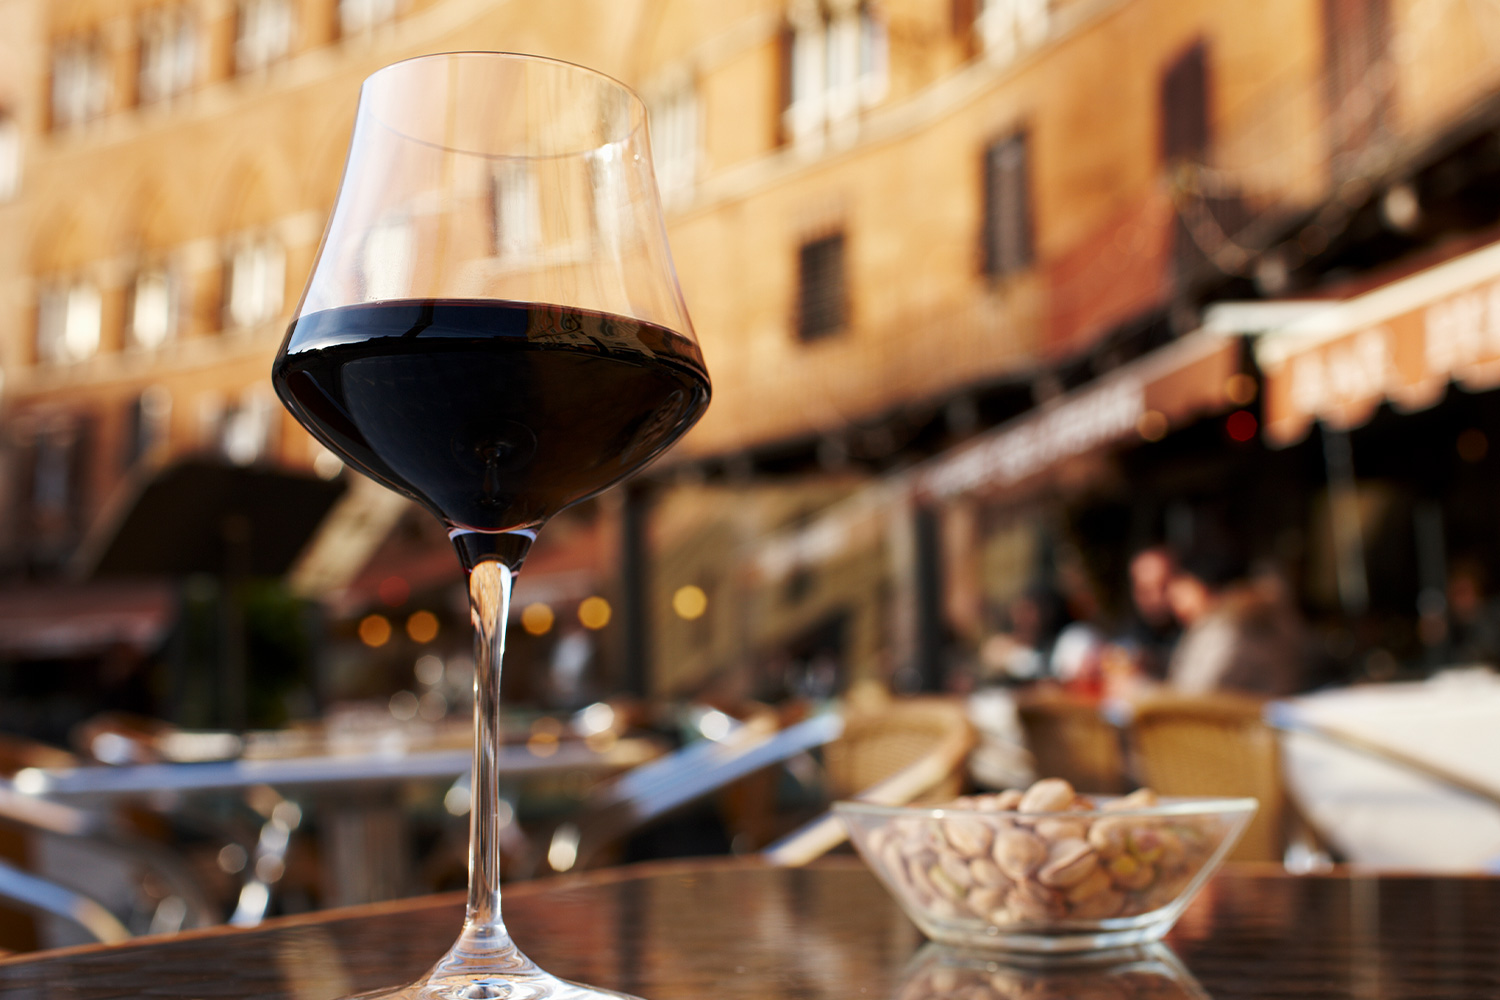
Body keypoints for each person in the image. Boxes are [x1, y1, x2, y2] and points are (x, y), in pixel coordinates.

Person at [1165, 551, 1306, 698]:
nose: (1175, 604)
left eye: (1181, 593)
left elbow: (1200, 693)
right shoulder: (1244, 618)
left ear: (1205, 588)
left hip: (1244, 717)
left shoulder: (1229, 627)